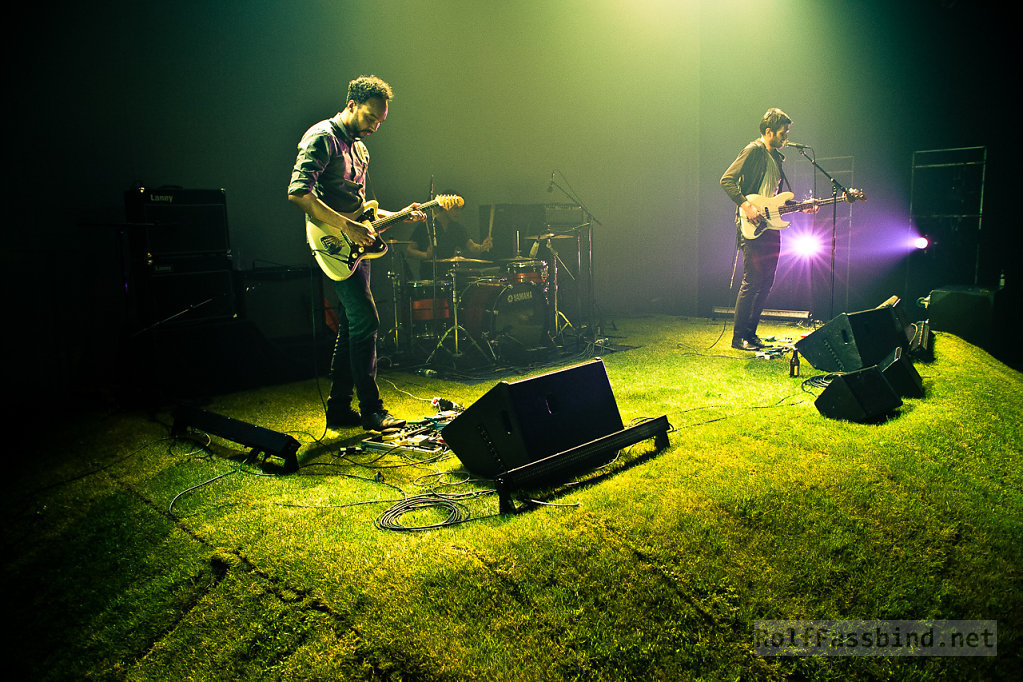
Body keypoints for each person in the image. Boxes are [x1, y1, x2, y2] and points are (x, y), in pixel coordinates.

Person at [288, 75, 425, 431]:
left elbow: (361, 211)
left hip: (357, 251)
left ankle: (337, 409)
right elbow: (299, 193)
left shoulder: (361, 149)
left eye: (380, 122)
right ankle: (372, 410)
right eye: (370, 118)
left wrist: (398, 215)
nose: (374, 127)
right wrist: (348, 228)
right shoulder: (322, 138)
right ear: (351, 105)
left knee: (352, 325)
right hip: (332, 244)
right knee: (366, 321)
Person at [720, 107, 814, 351]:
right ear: (769, 131)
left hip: (771, 226)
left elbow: (775, 200)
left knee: (766, 281)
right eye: (783, 133)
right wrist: (746, 205)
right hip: (751, 224)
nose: (786, 137)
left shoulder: (778, 159)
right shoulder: (753, 151)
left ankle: (750, 334)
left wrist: (801, 207)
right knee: (752, 281)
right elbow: (726, 180)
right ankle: (738, 337)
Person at [405, 191, 493, 278]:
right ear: (445, 206)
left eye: (460, 209)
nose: (459, 213)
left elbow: (472, 247)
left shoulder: (457, 228)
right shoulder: (425, 224)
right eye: (455, 209)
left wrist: (483, 246)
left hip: (449, 277)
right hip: (429, 277)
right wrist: (426, 255)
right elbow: (409, 251)